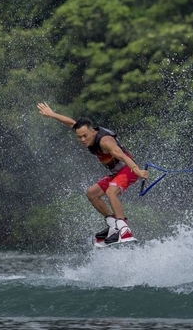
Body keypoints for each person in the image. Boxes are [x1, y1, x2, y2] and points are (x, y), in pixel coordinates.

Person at [37, 102, 149, 245]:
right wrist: (52, 114)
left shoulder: (105, 141)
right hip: (116, 172)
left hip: (128, 169)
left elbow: (121, 155)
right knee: (92, 193)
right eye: (79, 137)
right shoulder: (85, 132)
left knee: (110, 192)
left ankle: (124, 230)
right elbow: (70, 122)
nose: (82, 140)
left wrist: (137, 170)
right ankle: (113, 226)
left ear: (92, 132)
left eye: (85, 136)